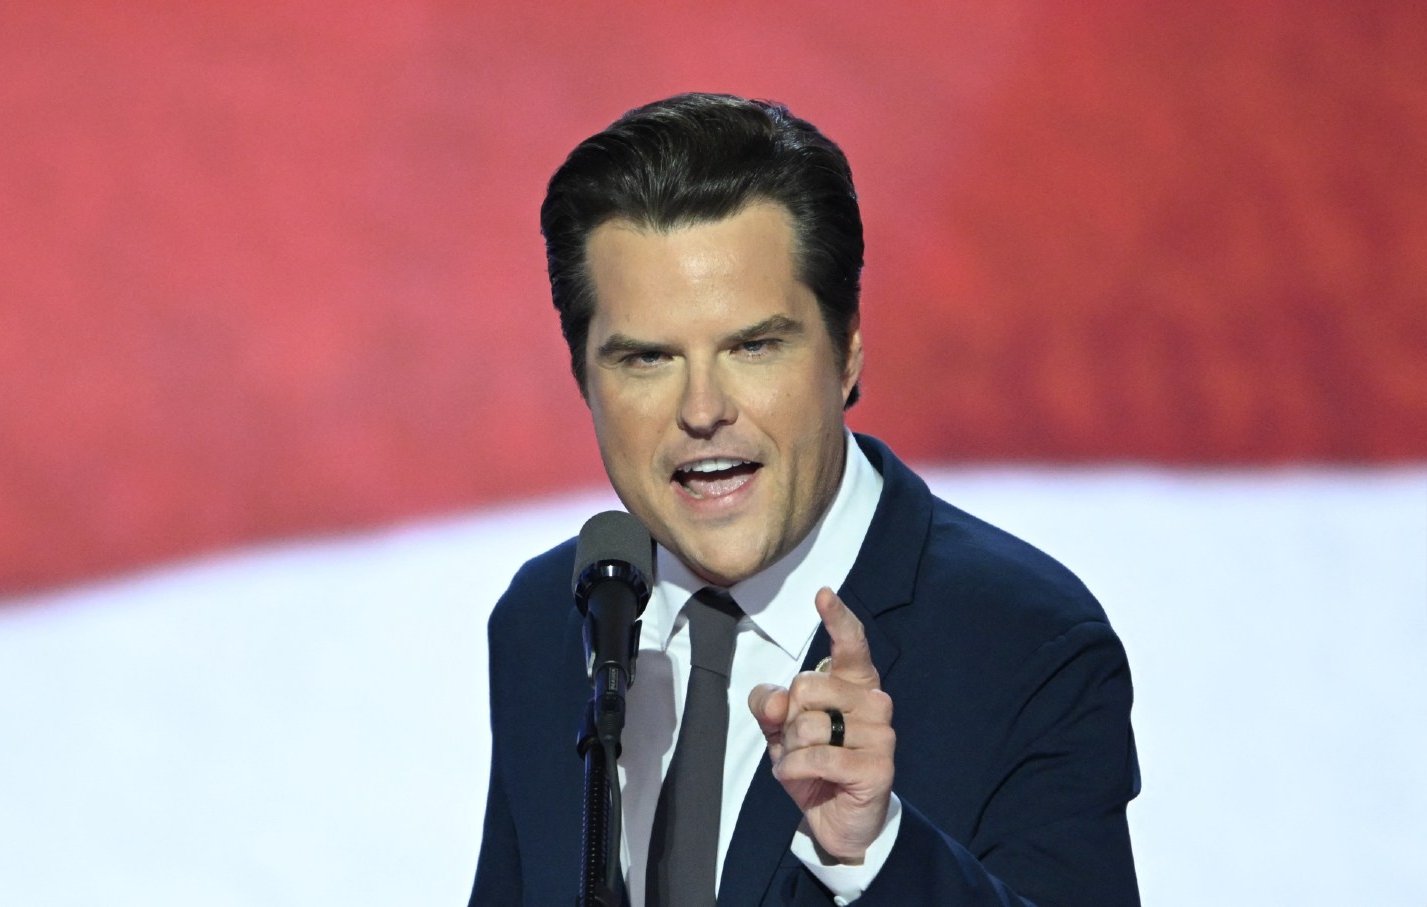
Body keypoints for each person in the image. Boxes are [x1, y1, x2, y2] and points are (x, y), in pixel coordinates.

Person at [468, 92, 1140, 906]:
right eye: (646, 359)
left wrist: (875, 854)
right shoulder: (551, 619)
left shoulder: (1026, 645)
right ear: (583, 376)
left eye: (753, 346)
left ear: (849, 348)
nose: (703, 409)